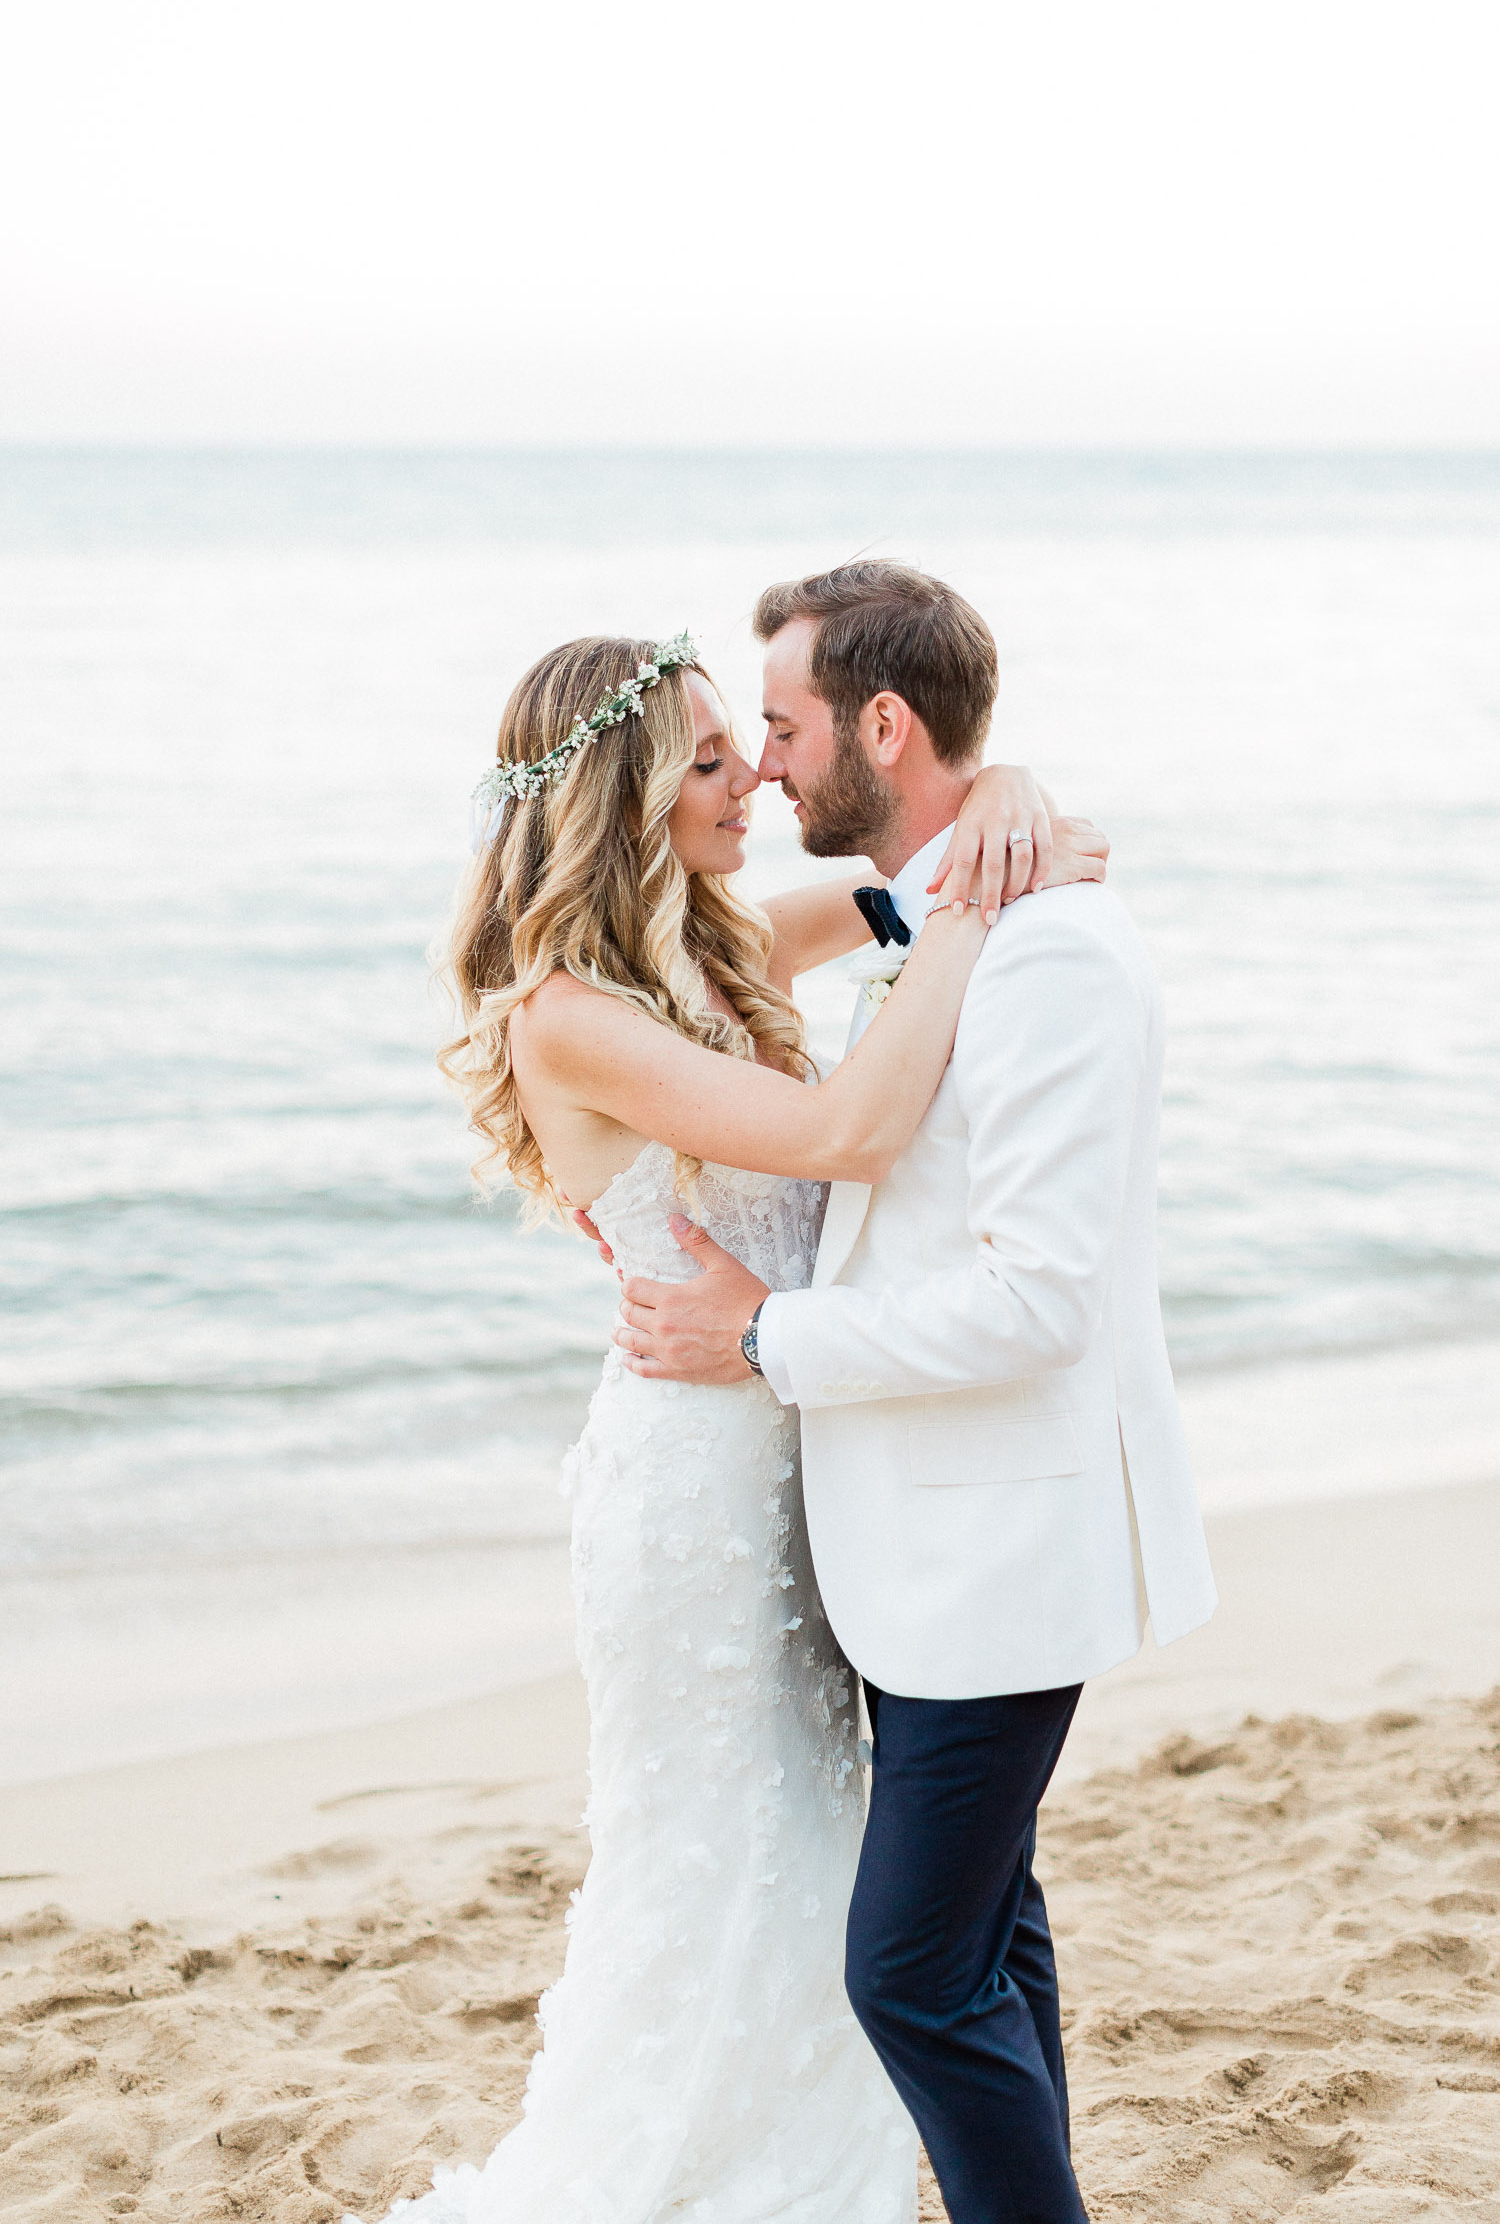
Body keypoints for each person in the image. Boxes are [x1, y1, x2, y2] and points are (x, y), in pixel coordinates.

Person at [352, 624, 1109, 2222]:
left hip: (798, 1459)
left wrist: (1010, 792)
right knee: (713, 1863)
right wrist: (974, 911)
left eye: (745, 742)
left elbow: (926, 853)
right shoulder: (567, 1015)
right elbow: (852, 1126)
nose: (754, 775)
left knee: (814, 1863)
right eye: (709, 759)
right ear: (624, 794)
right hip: (693, 1495)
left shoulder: (714, 949)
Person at [613, 563, 1219, 2224]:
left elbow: (1038, 1298)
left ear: (888, 722)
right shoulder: (955, 917)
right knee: (982, 1936)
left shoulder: (1048, 955)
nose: (776, 769)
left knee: (908, 1974)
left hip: (997, 1556)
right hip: (921, 1547)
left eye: (791, 730)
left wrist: (761, 1338)